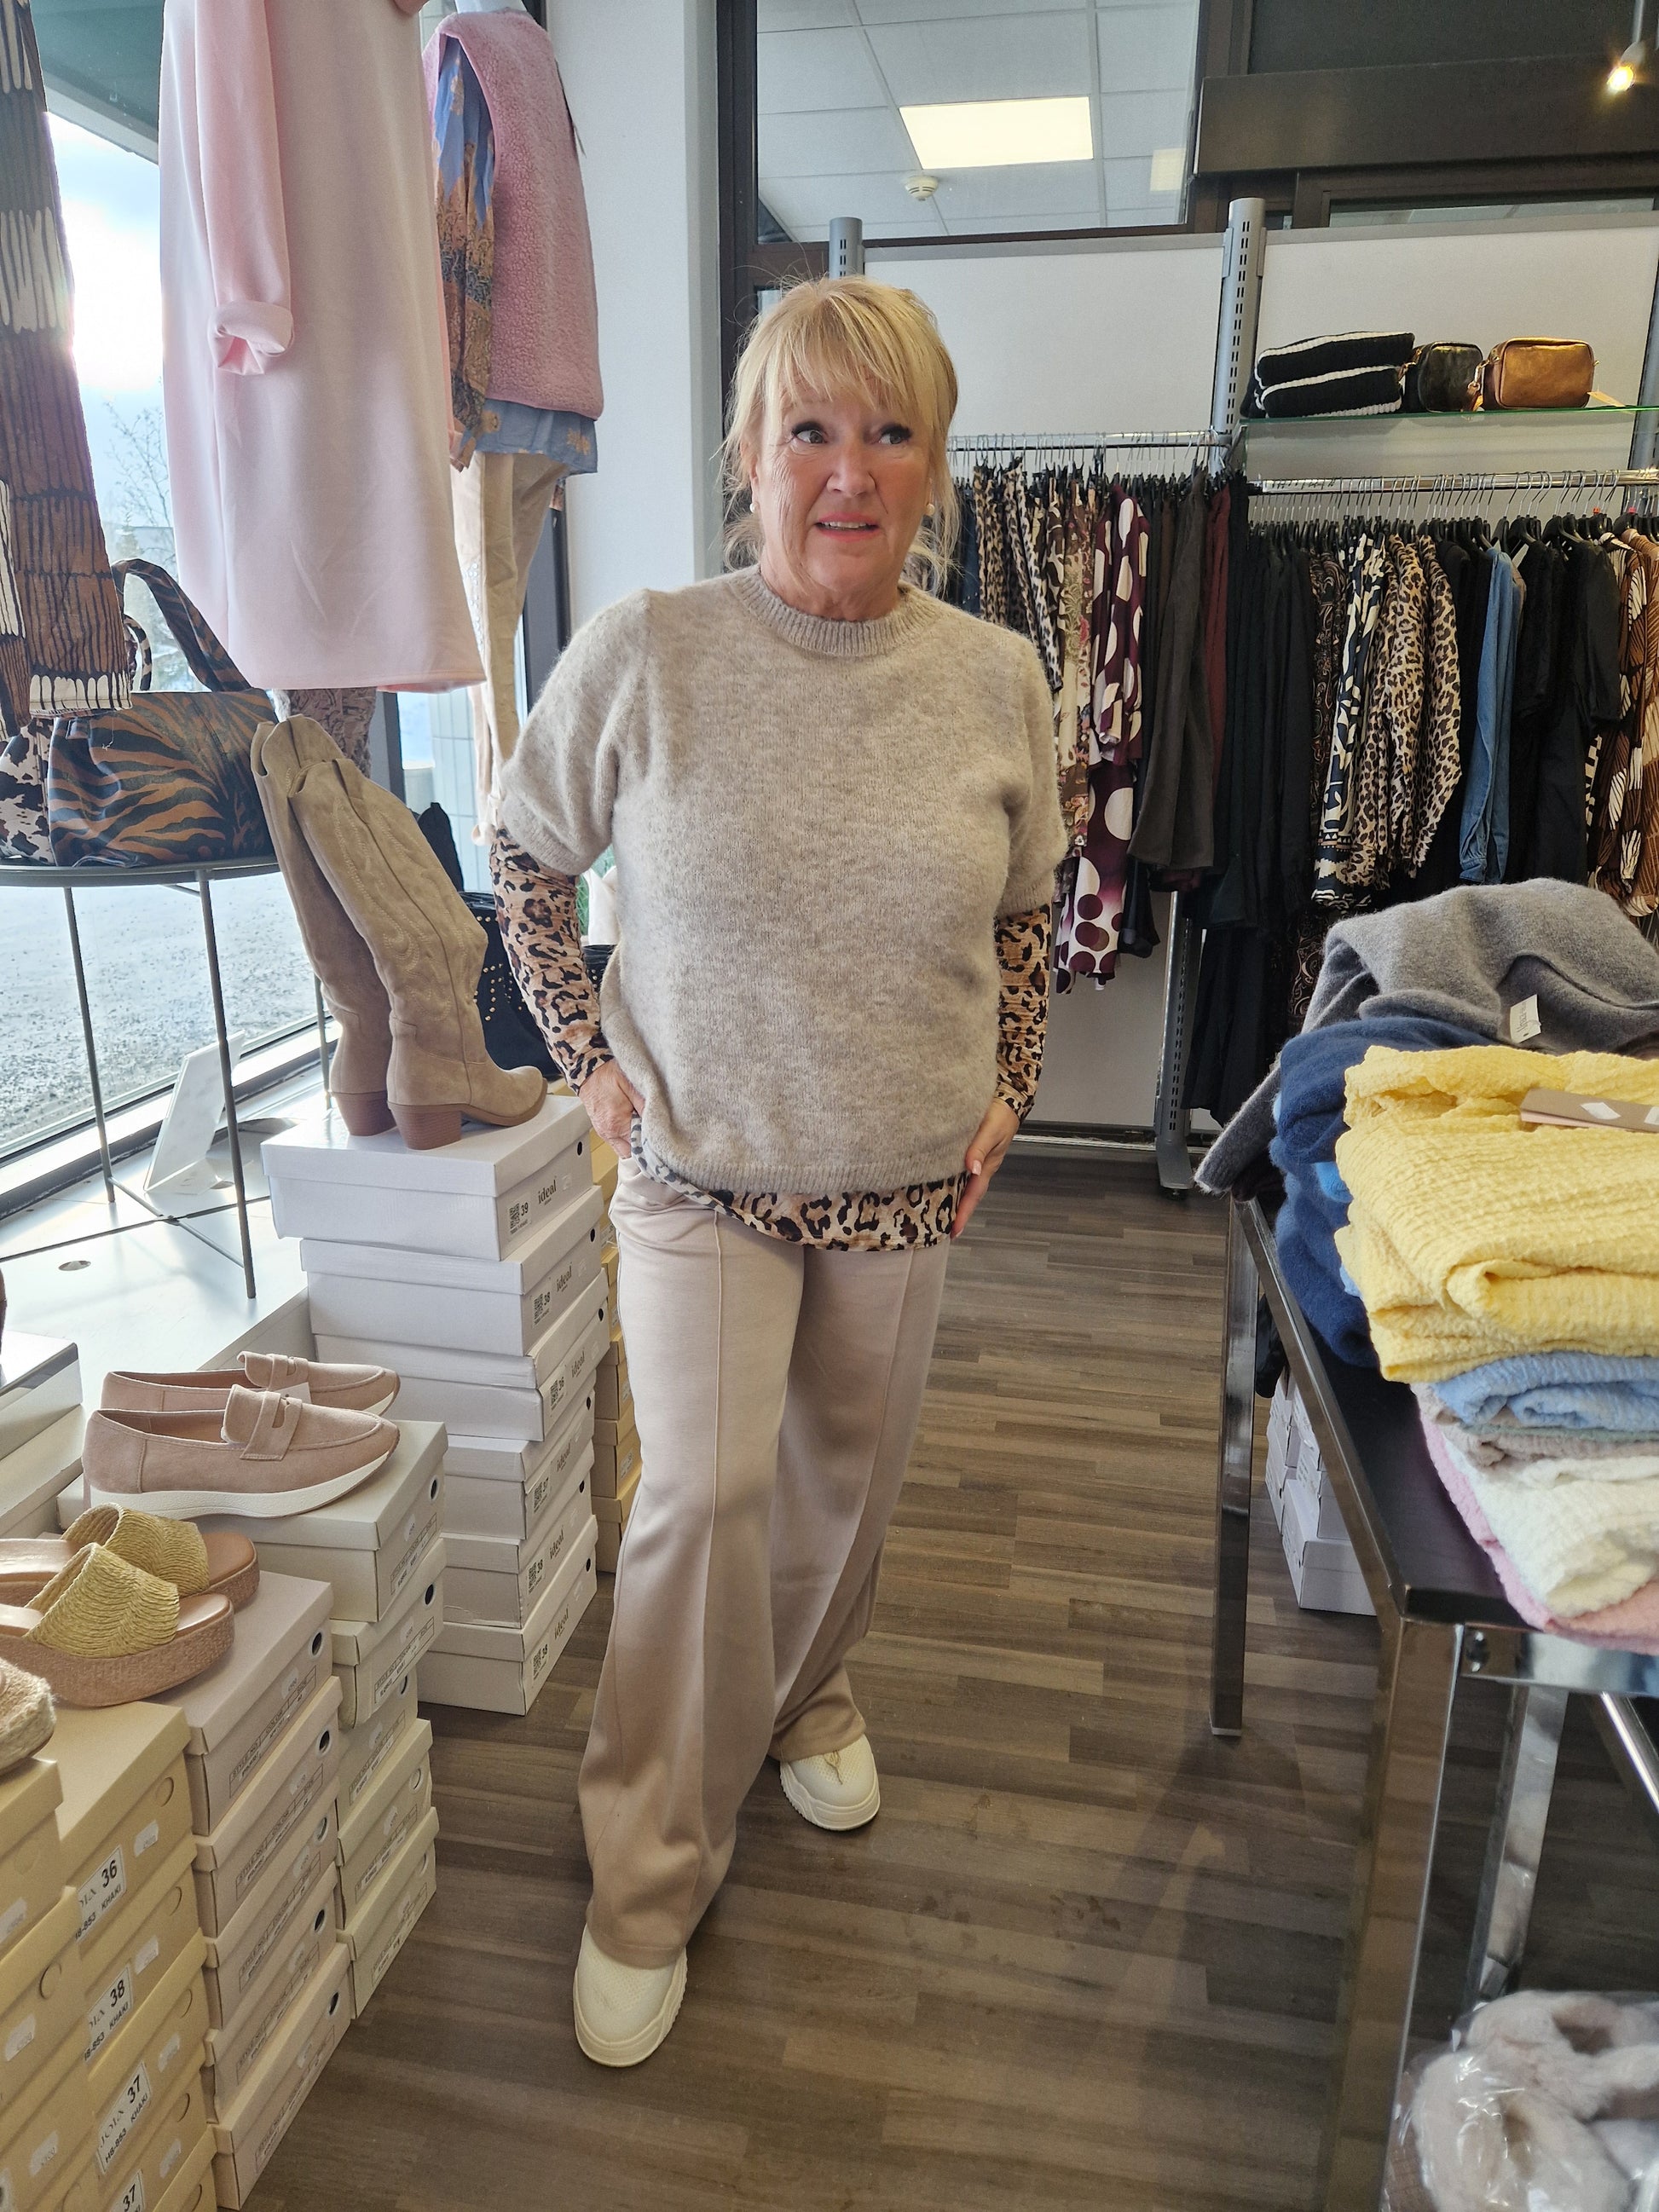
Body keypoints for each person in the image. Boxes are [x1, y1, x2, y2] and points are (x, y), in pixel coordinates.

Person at [493, 274, 1066, 2066]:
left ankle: (808, 1693)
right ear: (747, 455)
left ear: (933, 465)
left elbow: (1030, 912)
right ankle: (648, 1864)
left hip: (906, 1177)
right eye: (808, 430)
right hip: (701, 1176)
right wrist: (587, 1060)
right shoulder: (650, 651)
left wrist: (1012, 1084)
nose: (848, 470)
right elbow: (523, 856)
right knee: (700, 1503)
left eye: (889, 433)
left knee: (842, 1493)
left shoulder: (994, 677)